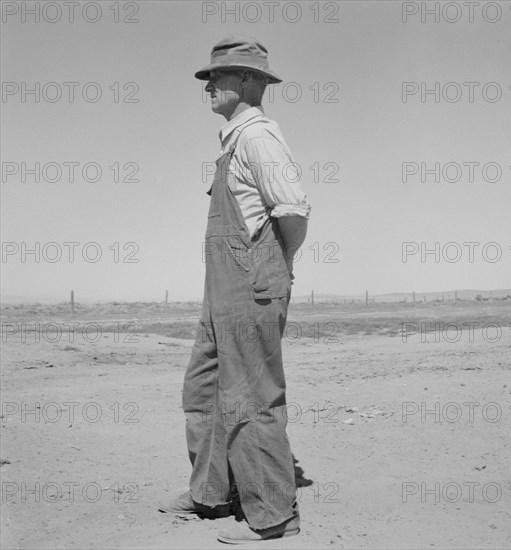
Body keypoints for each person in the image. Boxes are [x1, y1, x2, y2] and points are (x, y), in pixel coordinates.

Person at [160, 35, 311, 544]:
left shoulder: (259, 138)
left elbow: (292, 210)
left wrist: (277, 265)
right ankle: (212, 494)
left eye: (217, 77)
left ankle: (274, 516)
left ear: (246, 81)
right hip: (220, 292)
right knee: (204, 388)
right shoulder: (232, 142)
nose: (208, 87)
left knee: (250, 398)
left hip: (250, 286)